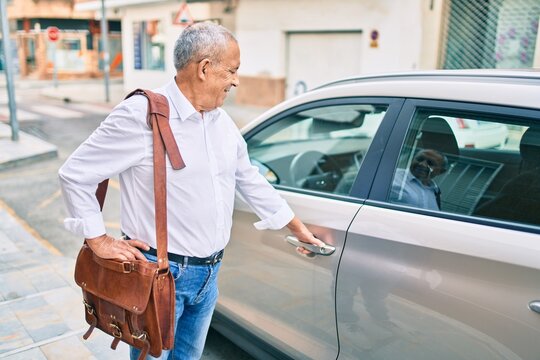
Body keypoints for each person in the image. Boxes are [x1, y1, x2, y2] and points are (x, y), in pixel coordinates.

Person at [58, 22, 323, 360]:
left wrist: (295, 227)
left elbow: (248, 178)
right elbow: (75, 173)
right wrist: (97, 238)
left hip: (208, 277)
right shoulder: (141, 115)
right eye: (232, 70)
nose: (236, 81)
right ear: (204, 68)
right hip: (158, 276)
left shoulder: (221, 122)